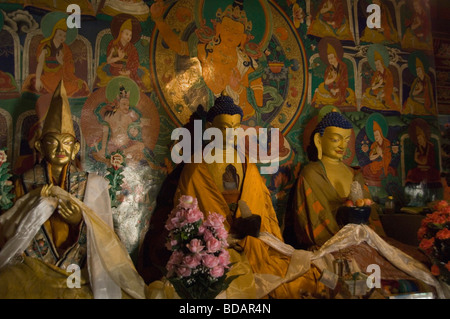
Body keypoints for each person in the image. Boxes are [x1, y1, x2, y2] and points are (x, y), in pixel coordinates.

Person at [140, 96, 327, 299]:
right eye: (224, 128)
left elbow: (264, 211)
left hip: (252, 246)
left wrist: (253, 226)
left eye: (235, 128)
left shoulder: (247, 164)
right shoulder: (196, 167)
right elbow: (186, 215)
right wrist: (219, 237)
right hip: (214, 250)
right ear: (210, 128)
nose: (230, 134)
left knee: (301, 276)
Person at [0, 81, 146, 298]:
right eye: (53, 142)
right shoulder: (24, 182)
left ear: (75, 147)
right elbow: (12, 232)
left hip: (78, 268)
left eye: (67, 143)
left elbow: (104, 238)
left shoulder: (92, 184)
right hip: (34, 269)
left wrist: (80, 219)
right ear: (40, 146)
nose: (61, 149)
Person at [284, 110, 385, 248]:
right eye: (336, 139)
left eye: (346, 140)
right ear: (319, 141)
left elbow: (371, 219)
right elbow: (313, 221)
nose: (342, 145)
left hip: (363, 242)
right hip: (330, 245)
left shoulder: (355, 174)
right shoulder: (311, 174)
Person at [150, 0, 264, 120]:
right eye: (227, 28)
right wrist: (159, 20)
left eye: (236, 32)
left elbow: (258, 103)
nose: (230, 34)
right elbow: (179, 47)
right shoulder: (206, 50)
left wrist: (238, 88)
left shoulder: (247, 64)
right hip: (203, 111)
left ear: (243, 38)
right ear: (218, 29)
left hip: (234, 121)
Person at [22, 15, 89, 97]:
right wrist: (39, 79)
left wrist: (61, 62)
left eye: (64, 36)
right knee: (32, 81)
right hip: (48, 78)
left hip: (62, 78)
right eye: (60, 34)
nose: (62, 38)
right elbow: (40, 64)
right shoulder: (45, 47)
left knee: (81, 86)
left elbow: (69, 69)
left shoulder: (66, 49)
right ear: (54, 33)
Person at [95, 15, 151, 92]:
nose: (129, 37)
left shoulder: (132, 48)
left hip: (129, 69)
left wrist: (129, 71)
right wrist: (119, 58)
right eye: (127, 34)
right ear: (121, 33)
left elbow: (135, 62)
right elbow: (110, 61)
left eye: (130, 35)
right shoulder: (114, 44)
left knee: (144, 80)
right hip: (115, 68)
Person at [312, 40, 356, 110]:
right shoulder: (328, 68)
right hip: (330, 88)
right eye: (329, 59)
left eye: (332, 58)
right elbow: (326, 82)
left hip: (340, 89)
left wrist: (338, 89)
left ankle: (336, 98)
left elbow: (345, 81)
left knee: (347, 94)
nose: (330, 60)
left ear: (336, 57)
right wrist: (333, 80)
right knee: (321, 89)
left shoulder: (343, 67)